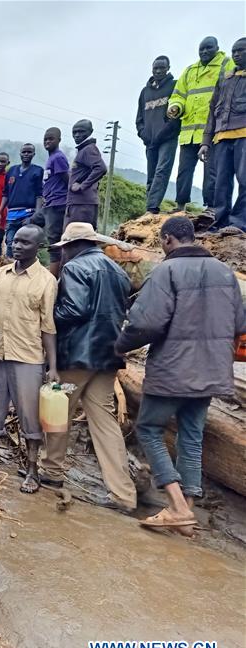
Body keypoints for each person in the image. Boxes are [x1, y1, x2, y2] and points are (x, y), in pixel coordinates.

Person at [116, 216, 245, 532]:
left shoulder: (167, 271)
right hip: (211, 372)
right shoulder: (224, 273)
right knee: (191, 435)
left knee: (148, 429)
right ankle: (186, 514)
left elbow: (145, 322)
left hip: (173, 370)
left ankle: (175, 505)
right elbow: (240, 324)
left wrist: (119, 346)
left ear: (167, 239)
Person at [42, 222, 137, 512]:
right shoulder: (118, 271)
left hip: (77, 355)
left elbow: (74, 309)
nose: (63, 254)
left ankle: (51, 470)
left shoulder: (74, 268)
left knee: (57, 411)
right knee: (104, 421)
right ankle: (123, 494)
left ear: (73, 246)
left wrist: (46, 315)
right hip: (108, 356)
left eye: (65, 248)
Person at [0, 225, 58, 493]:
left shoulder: (46, 281)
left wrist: (53, 365)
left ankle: (32, 470)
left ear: (39, 248)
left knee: (29, 416)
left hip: (28, 357)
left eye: (24, 243)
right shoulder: (1, 273)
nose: (16, 246)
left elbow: (48, 326)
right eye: (15, 241)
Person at [169, 36, 234, 211]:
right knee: (184, 171)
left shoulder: (226, 64)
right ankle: (180, 206)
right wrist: (176, 107)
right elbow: (178, 95)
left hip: (212, 131)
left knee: (211, 172)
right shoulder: (190, 70)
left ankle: (210, 208)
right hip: (189, 132)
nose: (204, 51)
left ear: (217, 48)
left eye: (208, 48)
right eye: (201, 49)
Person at [200, 37, 246, 231]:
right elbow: (212, 110)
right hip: (221, 137)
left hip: (243, 136)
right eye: (234, 51)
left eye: (241, 50)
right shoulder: (225, 80)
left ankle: (239, 223)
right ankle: (219, 222)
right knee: (221, 183)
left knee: (245, 179)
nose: (236, 54)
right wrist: (205, 142)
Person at [136, 56, 181, 214]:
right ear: (152, 69)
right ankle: (150, 208)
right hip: (150, 141)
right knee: (151, 174)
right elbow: (139, 119)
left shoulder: (175, 86)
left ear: (168, 68)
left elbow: (176, 116)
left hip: (167, 139)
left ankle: (152, 207)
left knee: (162, 171)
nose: (159, 71)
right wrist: (143, 134)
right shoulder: (145, 92)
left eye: (162, 68)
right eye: (156, 68)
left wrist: (163, 132)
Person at [0, 143, 44, 257]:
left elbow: (39, 195)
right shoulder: (11, 171)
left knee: (26, 244)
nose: (26, 154)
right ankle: (11, 266)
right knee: (10, 244)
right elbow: (6, 193)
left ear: (33, 154)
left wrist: (36, 215)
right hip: (12, 215)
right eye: (24, 152)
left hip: (28, 214)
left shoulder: (38, 171)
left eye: (29, 152)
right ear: (20, 154)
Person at [38, 127, 71, 276]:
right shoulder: (51, 158)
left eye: (51, 139)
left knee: (54, 241)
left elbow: (67, 180)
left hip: (58, 204)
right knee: (31, 223)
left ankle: (53, 277)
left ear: (59, 140)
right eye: (45, 139)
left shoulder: (58, 157)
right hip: (49, 203)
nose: (47, 141)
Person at [66, 120, 107, 228]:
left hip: (82, 204)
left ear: (90, 132)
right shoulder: (83, 150)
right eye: (74, 132)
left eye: (81, 131)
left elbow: (101, 168)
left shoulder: (89, 149)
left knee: (77, 234)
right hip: (78, 202)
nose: (77, 135)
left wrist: (82, 186)